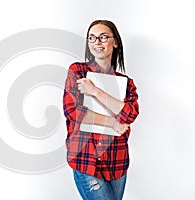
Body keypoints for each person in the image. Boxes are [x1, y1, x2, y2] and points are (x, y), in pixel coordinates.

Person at [63, 20, 139, 200]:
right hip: (86, 159)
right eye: (92, 38)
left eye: (103, 37)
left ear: (115, 42)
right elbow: (74, 112)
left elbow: (130, 113)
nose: (96, 42)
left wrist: (95, 91)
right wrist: (113, 121)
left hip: (117, 161)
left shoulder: (126, 82)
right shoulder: (78, 71)